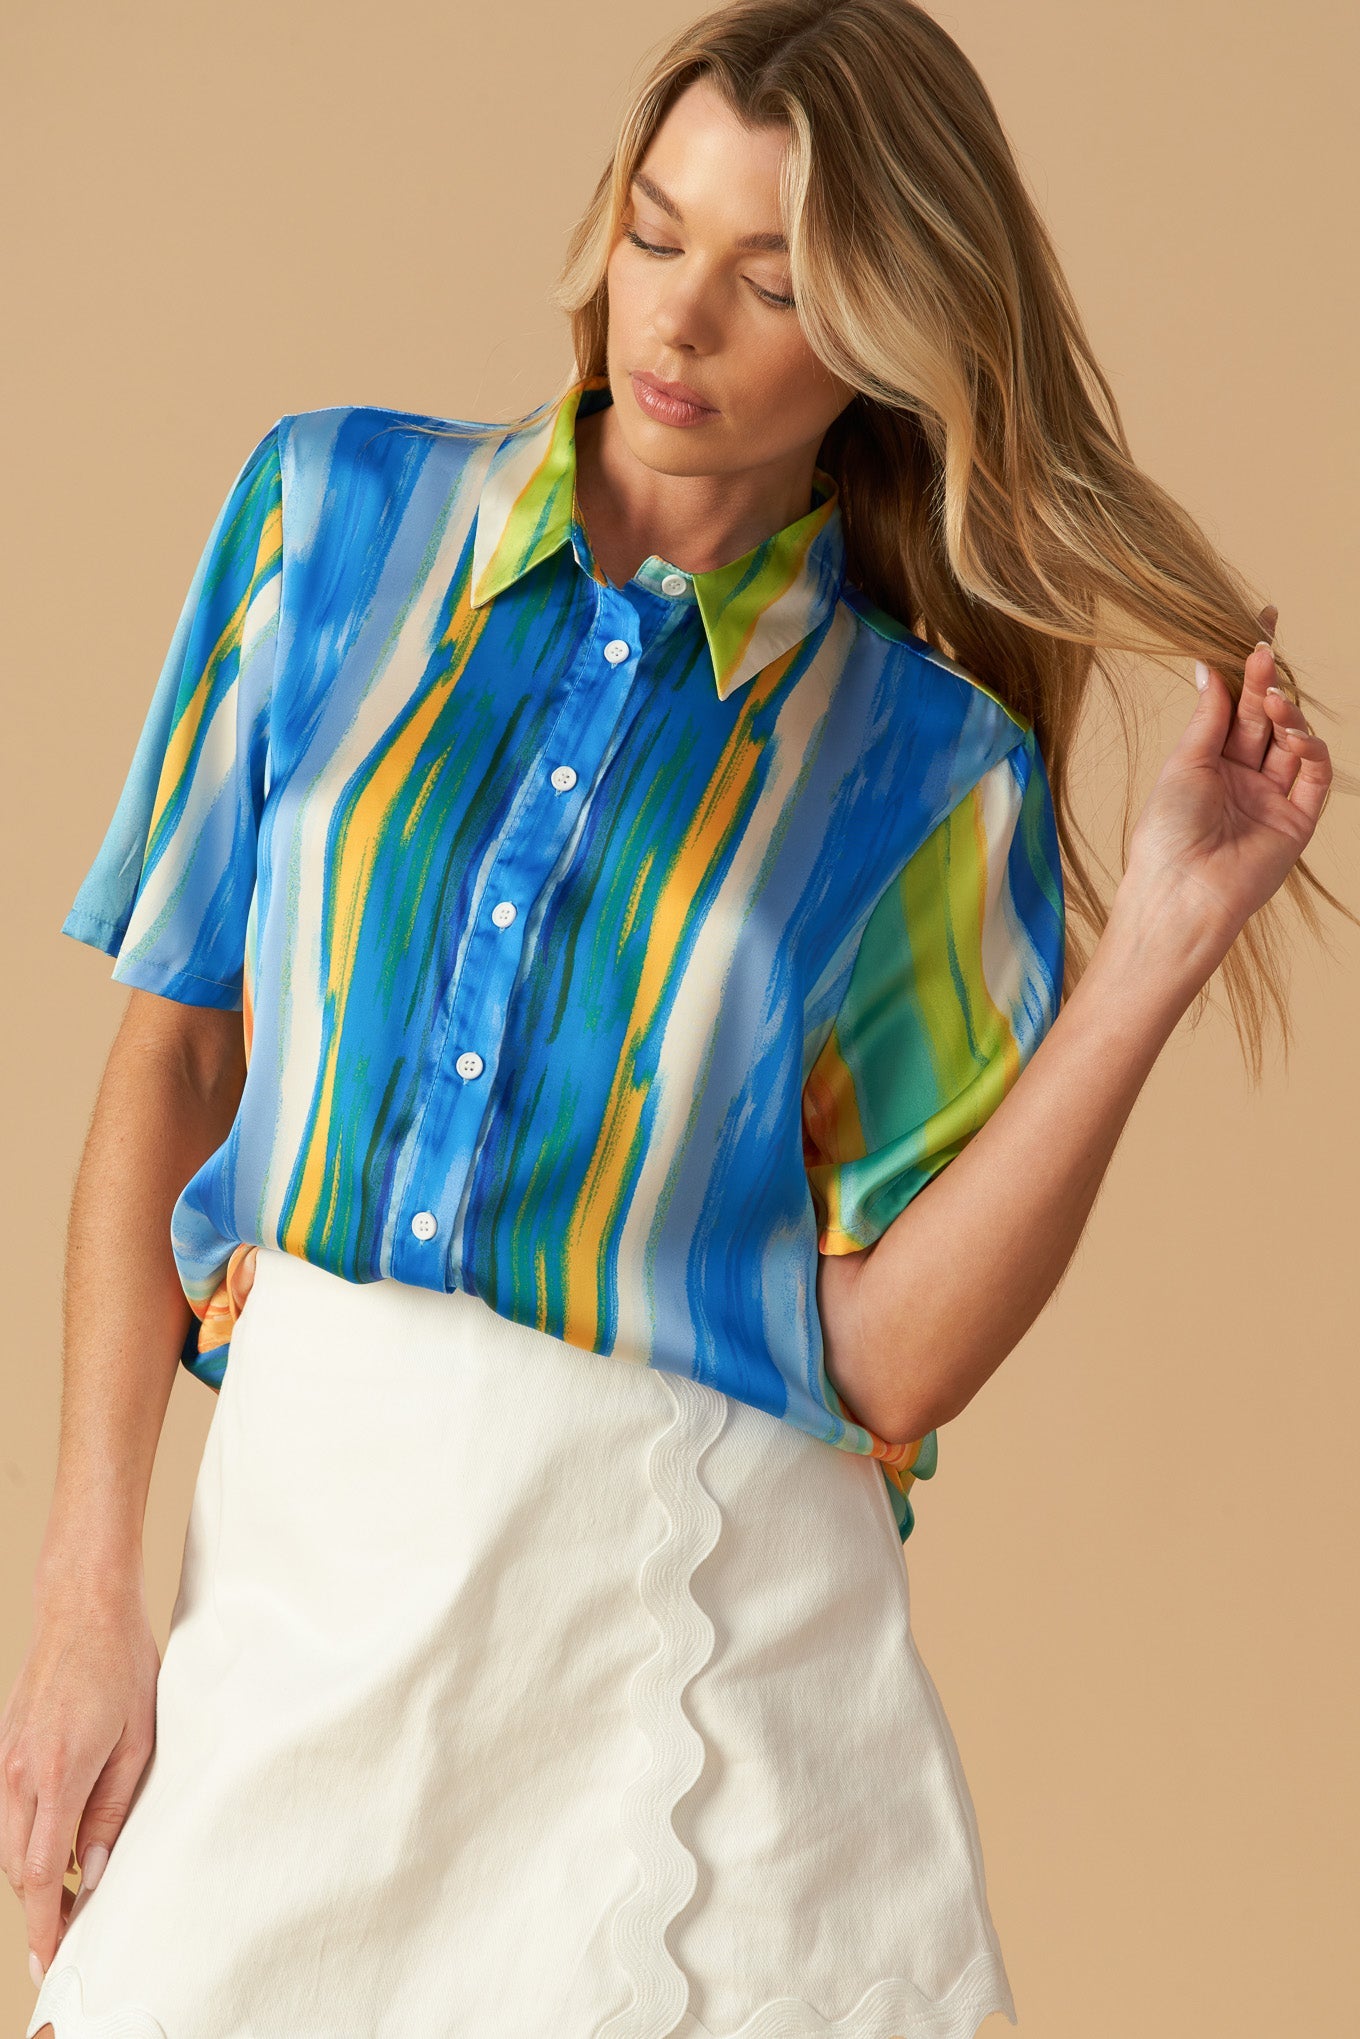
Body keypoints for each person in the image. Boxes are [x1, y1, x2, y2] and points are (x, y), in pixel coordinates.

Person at [6, 3, 1345, 2036]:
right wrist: (85, 1588)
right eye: (653, 231)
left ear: (885, 336)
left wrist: (1158, 945)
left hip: (688, 1632)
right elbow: (180, 1051)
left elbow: (885, 1354)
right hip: (312, 1567)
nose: (678, 317)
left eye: (771, 282)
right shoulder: (328, 524)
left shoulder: (925, 769)